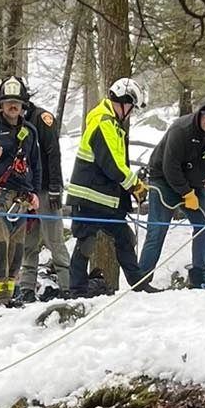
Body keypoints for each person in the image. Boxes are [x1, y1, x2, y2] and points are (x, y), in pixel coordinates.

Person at [134, 96, 205, 289]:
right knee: (157, 230)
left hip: (195, 184)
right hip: (163, 180)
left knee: (203, 226)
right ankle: (142, 281)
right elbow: (170, 166)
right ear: (200, 113)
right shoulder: (181, 129)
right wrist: (186, 193)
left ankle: (198, 276)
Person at [67, 77, 148, 296]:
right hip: (88, 197)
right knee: (86, 241)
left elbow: (117, 164)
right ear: (124, 101)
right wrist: (136, 186)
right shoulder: (103, 123)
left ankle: (138, 284)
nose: (130, 112)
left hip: (102, 199)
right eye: (131, 106)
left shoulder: (111, 123)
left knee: (124, 236)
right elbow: (113, 165)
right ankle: (77, 289)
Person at [12, 88, 69, 305]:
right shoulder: (13, 122)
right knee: (29, 242)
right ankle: (27, 287)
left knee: (54, 239)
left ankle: (66, 286)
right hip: (27, 190)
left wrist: (55, 186)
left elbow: (53, 153)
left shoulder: (42, 119)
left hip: (46, 188)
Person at [0, 77, 42, 302]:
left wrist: (35, 193)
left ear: (23, 106)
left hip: (23, 199)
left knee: (17, 249)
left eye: (17, 103)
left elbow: (36, 165)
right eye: (9, 102)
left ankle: (10, 294)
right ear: (1, 104)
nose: (13, 106)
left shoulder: (30, 131)